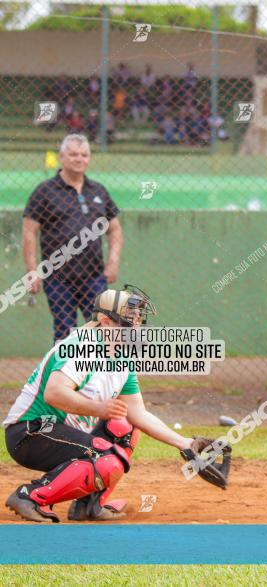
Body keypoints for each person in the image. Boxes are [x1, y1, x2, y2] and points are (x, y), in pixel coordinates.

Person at [3, 286, 224, 523]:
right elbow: (54, 393)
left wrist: (186, 444)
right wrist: (98, 409)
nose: (137, 328)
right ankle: (30, 496)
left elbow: (138, 413)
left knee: (125, 426)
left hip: (60, 432)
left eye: (139, 320)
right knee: (107, 460)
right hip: (30, 432)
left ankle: (88, 506)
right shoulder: (82, 345)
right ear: (107, 323)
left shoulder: (121, 358)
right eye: (130, 321)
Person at [22, 134, 124, 342]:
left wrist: (113, 263)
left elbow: (114, 230)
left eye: (84, 155)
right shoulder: (44, 192)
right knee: (65, 336)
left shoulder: (98, 191)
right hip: (58, 278)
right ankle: (62, 375)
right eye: (73, 154)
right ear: (62, 157)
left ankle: (97, 376)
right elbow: (29, 231)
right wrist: (32, 270)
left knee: (101, 334)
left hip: (94, 277)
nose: (79, 159)